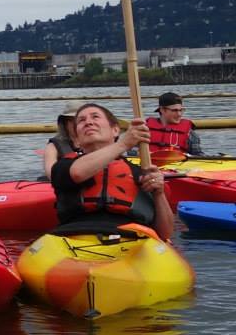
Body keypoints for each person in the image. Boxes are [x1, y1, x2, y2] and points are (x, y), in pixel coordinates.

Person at [49, 103, 175, 239]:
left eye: (95, 117)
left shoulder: (141, 174)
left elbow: (165, 233)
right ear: (77, 140)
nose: (89, 122)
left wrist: (159, 194)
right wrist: (123, 144)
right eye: (81, 120)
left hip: (133, 238)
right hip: (74, 236)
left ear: (115, 130)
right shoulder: (63, 167)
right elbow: (77, 173)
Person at [143, 92, 204, 165]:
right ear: (162, 110)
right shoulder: (144, 130)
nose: (179, 114)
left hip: (178, 168)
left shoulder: (190, 133)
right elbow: (132, 155)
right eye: (175, 110)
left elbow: (199, 157)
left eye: (181, 110)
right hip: (149, 167)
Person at [40, 104, 79, 176]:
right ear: (65, 124)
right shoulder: (53, 147)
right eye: (72, 121)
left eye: (80, 120)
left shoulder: (96, 143)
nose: (76, 124)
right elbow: (51, 174)